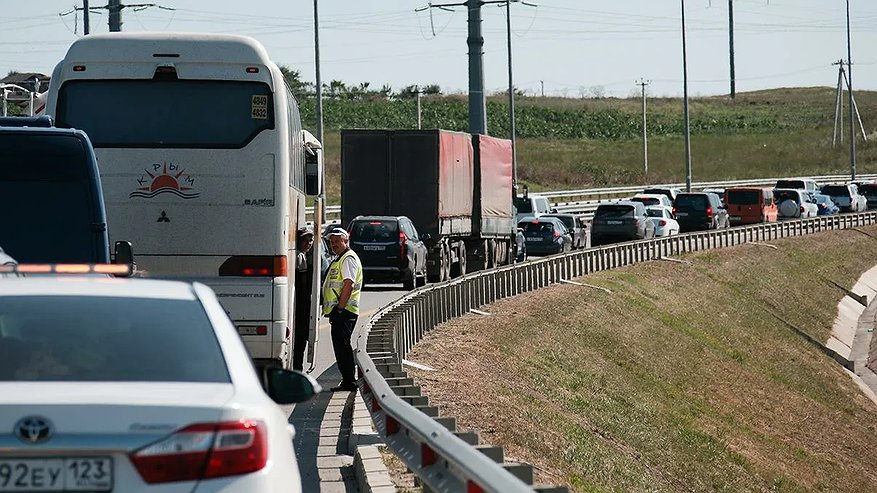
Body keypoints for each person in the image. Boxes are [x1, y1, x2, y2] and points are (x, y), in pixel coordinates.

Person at [322, 227, 362, 392]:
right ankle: (347, 380)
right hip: (341, 311)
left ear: (346, 241)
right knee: (341, 347)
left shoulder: (348, 259)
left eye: (338, 241)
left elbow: (348, 284)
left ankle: (349, 381)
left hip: (345, 311)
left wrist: (339, 309)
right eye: (332, 242)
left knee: (343, 347)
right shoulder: (340, 258)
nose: (334, 245)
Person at [292, 227, 315, 372]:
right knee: (300, 339)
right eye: (305, 240)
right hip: (300, 307)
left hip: (303, 307)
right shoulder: (298, 257)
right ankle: (297, 369)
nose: (308, 243)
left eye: (310, 240)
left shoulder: (303, 256)